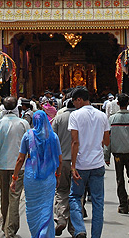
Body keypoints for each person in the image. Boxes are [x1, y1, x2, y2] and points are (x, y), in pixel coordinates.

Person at [10, 111, 62, 238]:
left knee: (32, 208)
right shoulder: (53, 137)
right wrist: (58, 175)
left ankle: (37, 234)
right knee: (46, 207)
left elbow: (20, 159)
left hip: (31, 177)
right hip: (49, 177)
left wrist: (14, 178)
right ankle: (45, 233)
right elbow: (59, 160)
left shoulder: (28, 136)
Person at [69, 87, 110, 238]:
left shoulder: (75, 115)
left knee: (74, 197)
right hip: (97, 164)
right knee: (98, 203)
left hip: (81, 164)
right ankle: (96, 236)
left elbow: (75, 142)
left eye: (74, 101)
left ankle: (79, 229)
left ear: (79, 99)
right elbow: (106, 141)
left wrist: (73, 166)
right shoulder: (102, 116)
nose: (74, 105)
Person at [0, 97, 29, 238]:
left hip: (2, 165)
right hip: (19, 166)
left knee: (4, 197)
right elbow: (30, 147)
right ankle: (10, 229)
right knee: (14, 197)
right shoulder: (24, 124)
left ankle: (7, 226)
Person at [51, 96, 76, 236]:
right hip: (77, 161)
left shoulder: (59, 118)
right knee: (76, 194)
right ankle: (74, 227)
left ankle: (61, 218)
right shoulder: (81, 118)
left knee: (61, 190)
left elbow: (53, 139)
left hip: (61, 161)